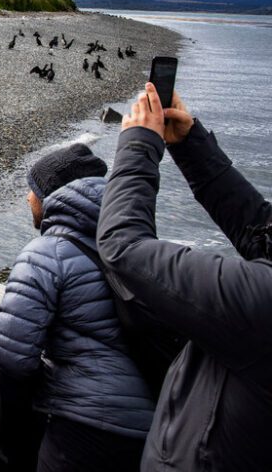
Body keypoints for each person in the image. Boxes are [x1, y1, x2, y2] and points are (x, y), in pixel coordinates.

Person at [97, 83, 272, 471]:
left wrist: (139, 143)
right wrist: (190, 145)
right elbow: (263, 231)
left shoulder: (261, 301)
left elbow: (123, 247)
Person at [0, 143, 155, 472]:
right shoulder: (136, 240)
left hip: (86, 423)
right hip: (153, 419)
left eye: (33, 190)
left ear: (52, 197)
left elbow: (13, 356)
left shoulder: (44, 252)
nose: (27, 198)